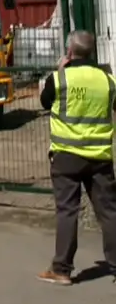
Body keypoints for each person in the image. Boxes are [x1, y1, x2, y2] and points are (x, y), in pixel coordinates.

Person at [37, 29, 116, 286]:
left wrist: (61, 69)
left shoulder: (60, 79)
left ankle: (61, 269)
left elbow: (45, 102)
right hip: (100, 156)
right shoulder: (108, 80)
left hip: (66, 156)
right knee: (109, 212)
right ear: (92, 51)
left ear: (70, 52)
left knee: (67, 211)